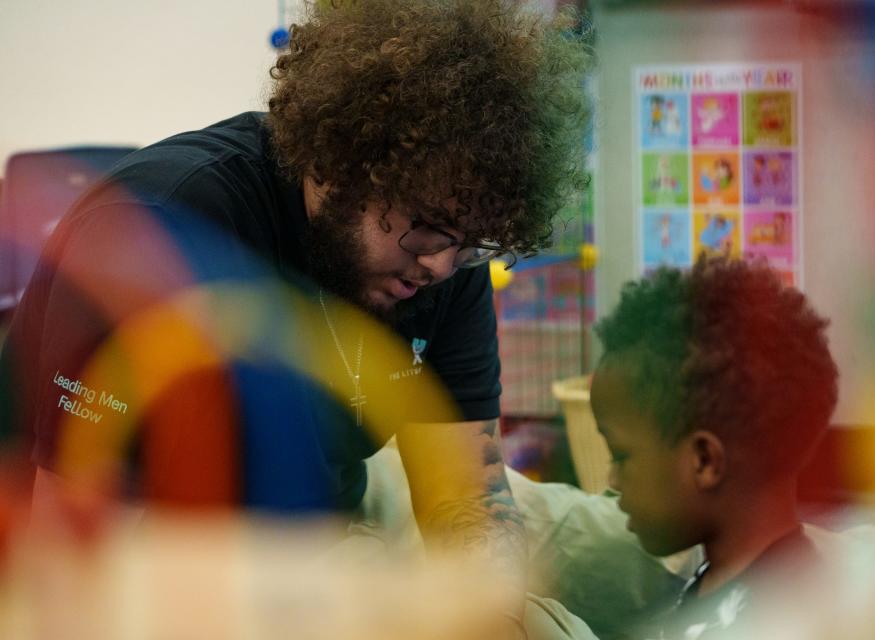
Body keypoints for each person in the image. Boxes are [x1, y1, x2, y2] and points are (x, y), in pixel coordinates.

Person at [0, 0, 591, 636]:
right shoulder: (158, 227)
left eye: (475, 245)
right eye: (430, 230)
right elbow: (71, 551)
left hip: (322, 530)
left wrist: (493, 616)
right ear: (345, 161)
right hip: (152, 550)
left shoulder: (448, 257)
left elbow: (467, 496)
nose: (443, 266)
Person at [590, 258, 839, 638]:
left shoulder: (778, 623)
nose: (613, 480)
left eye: (622, 456)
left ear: (705, 461)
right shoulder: (723, 583)